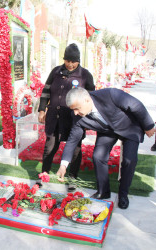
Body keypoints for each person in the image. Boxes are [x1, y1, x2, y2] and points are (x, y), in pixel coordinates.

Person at [56, 88, 155, 209]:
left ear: (87, 100)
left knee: (129, 160)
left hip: (129, 126)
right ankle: (103, 191)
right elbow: (72, 140)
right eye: (73, 110)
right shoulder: (77, 116)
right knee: (98, 156)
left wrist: (148, 125)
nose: (75, 113)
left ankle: (123, 194)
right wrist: (63, 165)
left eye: (77, 108)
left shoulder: (110, 95)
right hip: (107, 131)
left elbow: (136, 105)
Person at [37, 43, 95, 191]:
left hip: (73, 119)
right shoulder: (56, 71)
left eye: (73, 61)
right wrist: (42, 110)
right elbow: (46, 91)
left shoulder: (85, 75)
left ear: (78, 61)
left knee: (75, 149)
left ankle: (72, 178)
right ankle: (44, 175)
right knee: (49, 148)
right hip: (54, 117)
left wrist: (87, 118)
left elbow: (91, 97)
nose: (70, 64)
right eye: (67, 61)